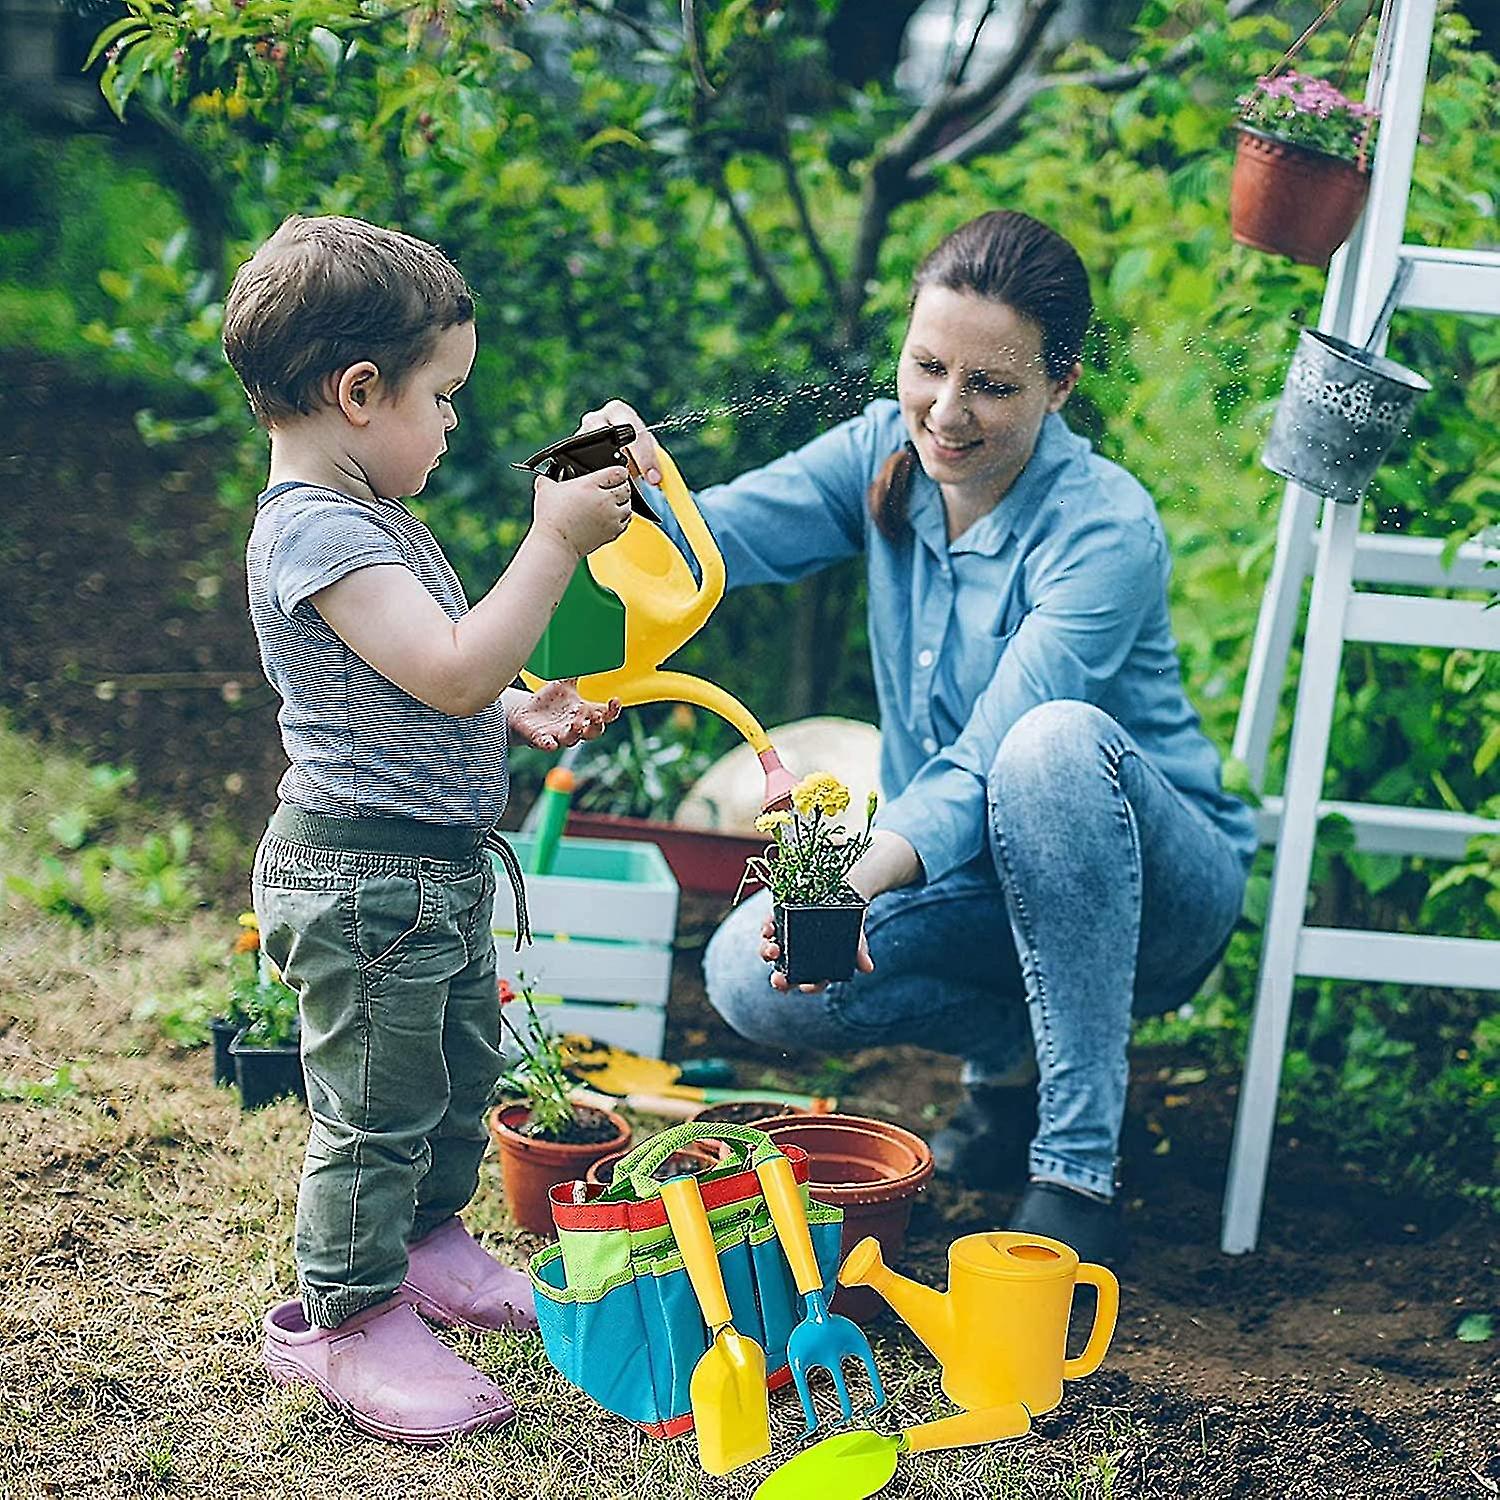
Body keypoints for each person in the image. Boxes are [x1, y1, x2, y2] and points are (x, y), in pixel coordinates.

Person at [587, 209, 1256, 1267]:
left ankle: (1077, 1165)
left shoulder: (1102, 528)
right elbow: (716, 540)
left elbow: (996, 755)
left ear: (1061, 383)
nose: (946, 412)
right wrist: (635, 490)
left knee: (1048, 743)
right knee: (750, 978)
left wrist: (861, 876)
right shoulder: (880, 453)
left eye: (991, 385)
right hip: (977, 889)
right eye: (927, 366)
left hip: (1153, 895)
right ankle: (1015, 1067)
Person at [228, 214, 628, 1444]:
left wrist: (515, 706)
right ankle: (345, 1320)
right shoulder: (316, 531)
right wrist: (554, 543)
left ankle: (429, 1243)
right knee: (374, 1105)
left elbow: (425, 680)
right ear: (360, 393)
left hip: (428, 875)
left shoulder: (370, 515)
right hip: (364, 884)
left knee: (455, 1080)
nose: (453, 423)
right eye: (442, 397)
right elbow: (446, 669)